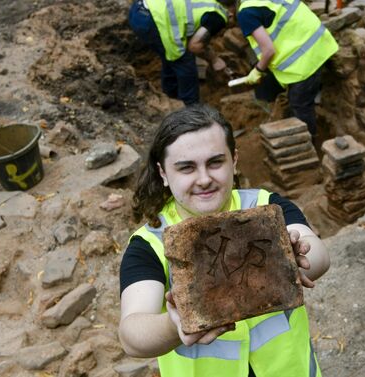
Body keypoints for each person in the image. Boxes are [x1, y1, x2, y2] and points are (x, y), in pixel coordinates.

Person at [119, 104, 330, 376]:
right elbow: (132, 333)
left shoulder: (265, 205)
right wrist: (176, 325)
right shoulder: (150, 244)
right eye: (186, 168)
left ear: (235, 160)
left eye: (215, 162)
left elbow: (320, 255)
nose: (204, 179)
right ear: (163, 174)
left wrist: (293, 258)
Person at [221, 0, 338, 139]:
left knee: (299, 103)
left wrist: (257, 70)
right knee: (296, 98)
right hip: (320, 41)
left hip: (306, 58)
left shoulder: (246, 13)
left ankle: (308, 143)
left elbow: (269, 50)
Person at [128, 0, 229, 105]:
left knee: (170, 57)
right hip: (154, 21)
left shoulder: (208, 3)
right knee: (184, 63)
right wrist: (215, 60)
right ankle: (190, 110)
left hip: (138, 10)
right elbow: (194, 46)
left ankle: (170, 97)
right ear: (230, 16)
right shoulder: (219, 18)